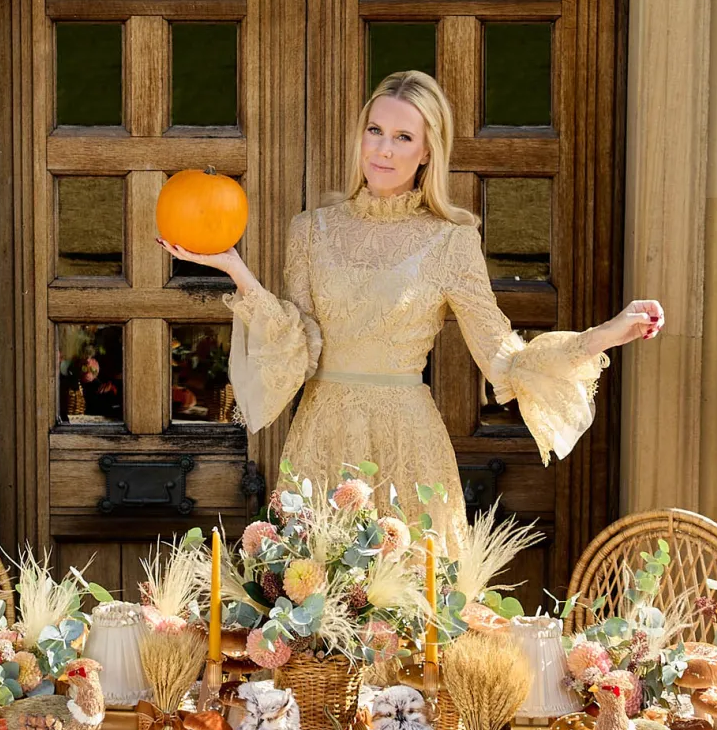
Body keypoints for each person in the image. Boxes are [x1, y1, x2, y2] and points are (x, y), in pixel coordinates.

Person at [159, 70, 664, 548]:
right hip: (321, 436)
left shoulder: (452, 240)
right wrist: (235, 270)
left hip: (409, 444)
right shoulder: (310, 230)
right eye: (376, 130)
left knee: (410, 615)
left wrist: (602, 335)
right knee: (311, 613)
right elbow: (298, 345)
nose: (383, 148)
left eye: (403, 137)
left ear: (427, 152)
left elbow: (503, 358)